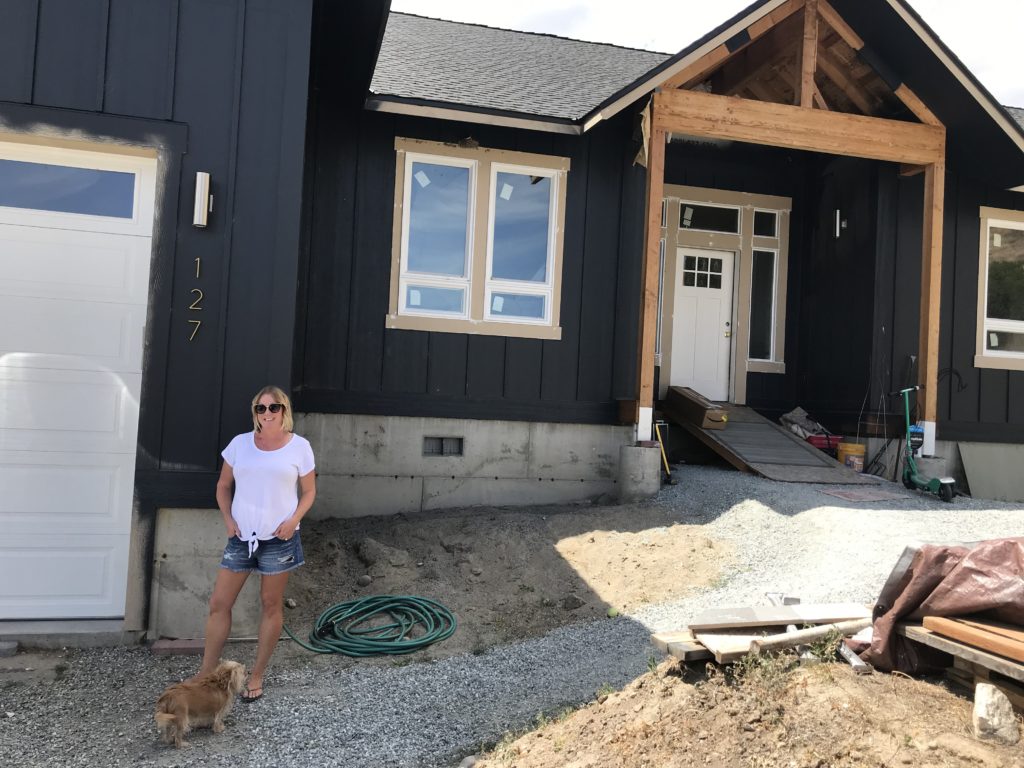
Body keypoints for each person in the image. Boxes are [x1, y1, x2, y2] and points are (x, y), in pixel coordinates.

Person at [195, 385, 316, 702]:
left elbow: (310, 492)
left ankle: (257, 675)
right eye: (260, 408)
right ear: (255, 413)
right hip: (240, 539)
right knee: (219, 604)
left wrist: (292, 522)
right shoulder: (239, 445)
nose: (266, 414)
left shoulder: (299, 447)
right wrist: (228, 520)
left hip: (279, 541)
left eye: (273, 407)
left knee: (270, 605)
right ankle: (206, 672)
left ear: (284, 410)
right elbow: (223, 486)